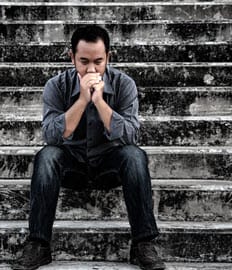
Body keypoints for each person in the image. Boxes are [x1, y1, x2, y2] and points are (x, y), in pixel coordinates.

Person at [14, 25, 165, 270]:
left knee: (135, 156)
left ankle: (143, 244)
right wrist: (83, 100)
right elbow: (52, 136)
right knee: (47, 156)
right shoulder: (57, 85)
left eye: (98, 61)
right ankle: (38, 245)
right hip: (71, 164)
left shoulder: (124, 84)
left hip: (109, 165)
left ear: (108, 58)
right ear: (71, 57)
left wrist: (100, 102)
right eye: (83, 61)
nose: (91, 69)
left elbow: (130, 136)